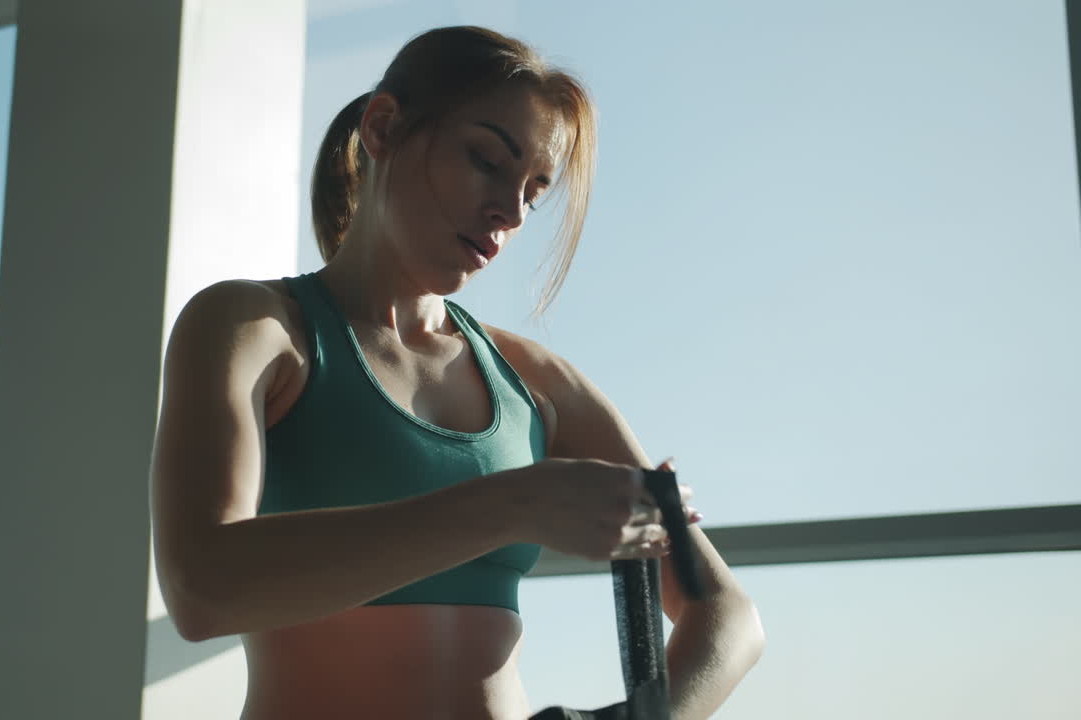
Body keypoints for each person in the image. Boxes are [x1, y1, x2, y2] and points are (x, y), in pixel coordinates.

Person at [149, 25, 764, 720]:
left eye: (534, 190)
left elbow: (727, 614)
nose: (510, 212)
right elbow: (202, 589)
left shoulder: (537, 381)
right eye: (485, 159)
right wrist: (516, 504)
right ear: (382, 127)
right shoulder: (253, 327)